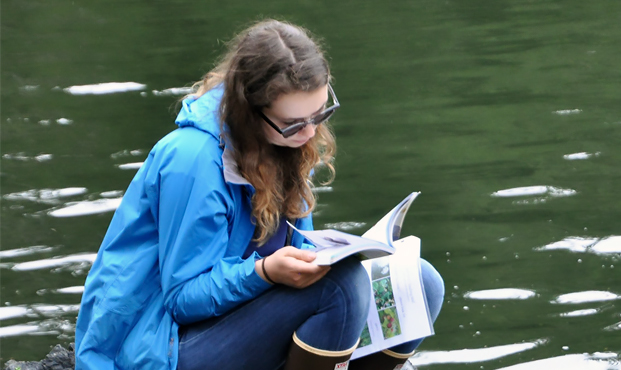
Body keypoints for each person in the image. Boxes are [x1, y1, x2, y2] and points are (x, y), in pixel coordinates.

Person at [74, 19, 443, 370]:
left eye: (320, 114)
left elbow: (302, 246)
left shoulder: (288, 141)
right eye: (294, 123)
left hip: (237, 323)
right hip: (159, 347)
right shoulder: (193, 160)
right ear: (250, 111)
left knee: (419, 283)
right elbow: (182, 299)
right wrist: (264, 272)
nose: (310, 133)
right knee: (341, 287)